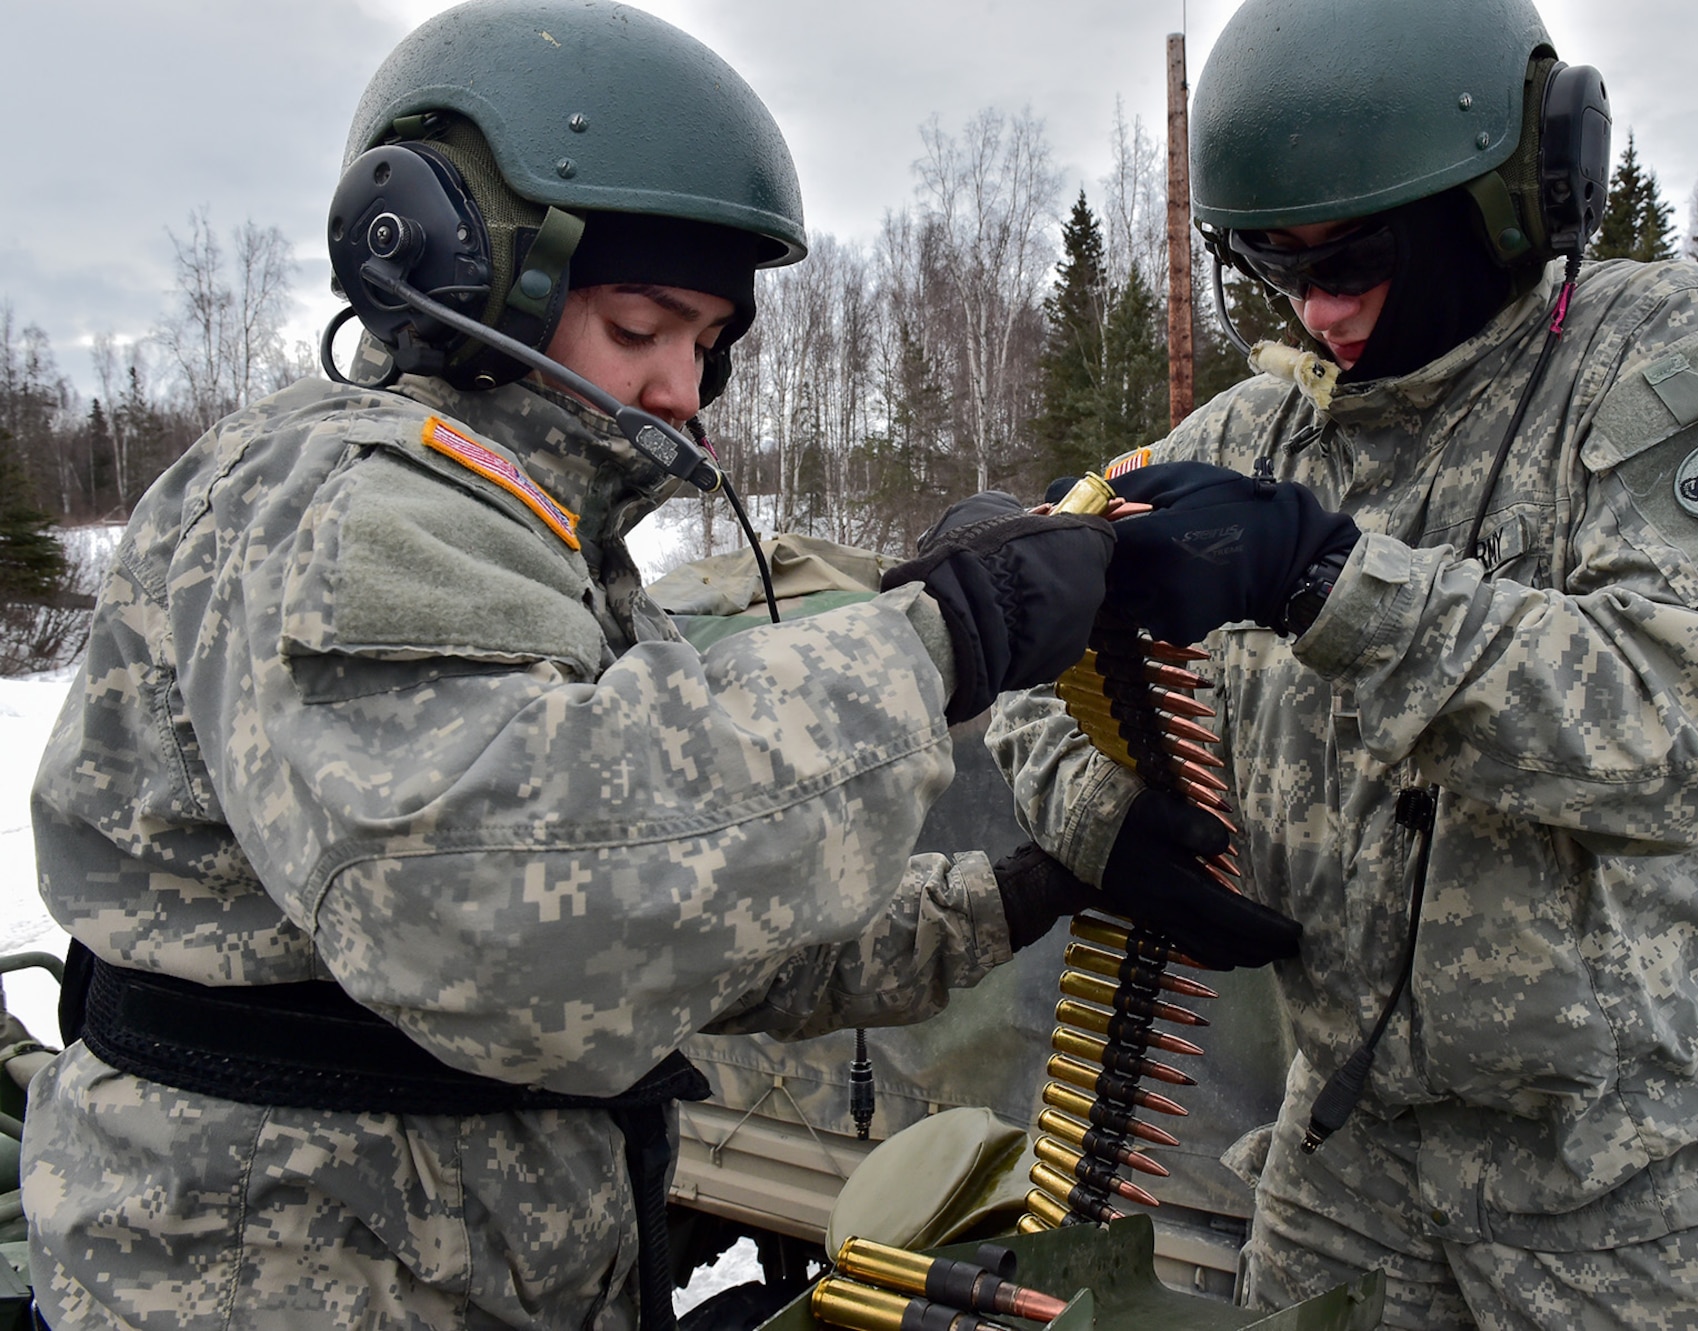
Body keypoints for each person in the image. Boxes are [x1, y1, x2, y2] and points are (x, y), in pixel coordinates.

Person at [22, 3, 1116, 1327]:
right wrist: (946, 638)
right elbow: (517, 896)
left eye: (706, 345)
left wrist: (1019, 891)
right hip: (289, 1276)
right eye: (644, 325)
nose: (680, 392)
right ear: (459, 272)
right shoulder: (347, 502)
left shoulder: (527, 537)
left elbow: (689, 917)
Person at [990, 0, 1698, 1326]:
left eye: (1362, 257)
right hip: (1350, 1173)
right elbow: (1042, 657)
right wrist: (1115, 826)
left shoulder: (1659, 363)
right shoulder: (1257, 433)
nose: (1318, 308)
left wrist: (1327, 582)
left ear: (1519, 193)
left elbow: (1680, 730)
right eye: (1275, 264)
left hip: (1661, 1189)